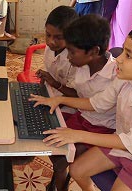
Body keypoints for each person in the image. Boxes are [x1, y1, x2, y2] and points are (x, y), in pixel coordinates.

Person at [29, 24, 132, 191]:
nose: (119, 58)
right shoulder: (124, 79)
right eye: (123, 51)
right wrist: (59, 100)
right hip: (121, 147)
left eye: (129, 55)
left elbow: (128, 142)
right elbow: (96, 103)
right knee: (77, 170)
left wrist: (76, 135)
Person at [45, 14, 117, 191]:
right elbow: (79, 95)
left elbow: (95, 104)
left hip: (102, 129)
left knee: (62, 158)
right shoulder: (83, 66)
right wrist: (55, 93)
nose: (68, 57)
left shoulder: (116, 76)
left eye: (72, 52)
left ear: (94, 51)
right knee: (50, 142)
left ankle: (60, 186)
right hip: (82, 118)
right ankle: (57, 181)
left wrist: (59, 99)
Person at [36, 6, 78, 98]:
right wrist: (42, 84)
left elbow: (77, 96)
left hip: (66, 104)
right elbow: (48, 70)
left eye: (58, 37)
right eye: (48, 35)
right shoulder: (51, 48)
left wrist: (55, 84)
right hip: (50, 93)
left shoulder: (76, 59)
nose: (51, 41)